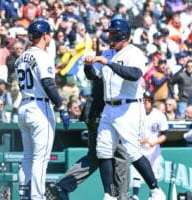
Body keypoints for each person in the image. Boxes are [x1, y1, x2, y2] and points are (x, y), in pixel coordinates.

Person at [83, 18, 166, 200]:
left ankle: (155, 189)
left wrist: (107, 62)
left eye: (113, 32)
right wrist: (87, 65)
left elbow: (135, 74)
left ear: (123, 34)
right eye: (110, 32)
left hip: (129, 107)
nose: (110, 35)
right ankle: (110, 194)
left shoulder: (134, 52)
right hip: (109, 107)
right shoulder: (108, 53)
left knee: (133, 151)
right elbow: (94, 77)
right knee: (103, 150)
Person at [48, 38, 130, 200]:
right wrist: (89, 64)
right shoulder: (109, 60)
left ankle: (61, 186)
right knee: (121, 155)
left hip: (95, 112)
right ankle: (122, 196)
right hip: (103, 114)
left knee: (94, 156)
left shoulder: (110, 59)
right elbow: (92, 74)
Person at [14, 20, 70, 200]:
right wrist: (61, 106)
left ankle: (24, 195)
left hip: (24, 106)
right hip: (39, 107)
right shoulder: (42, 55)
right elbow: (48, 83)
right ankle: (37, 197)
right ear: (45, 35)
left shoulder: (20, 58)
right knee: (40, 159)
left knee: (28, 157)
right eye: (49, 34)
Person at [131, 91, 168, 200]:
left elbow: (164, 134)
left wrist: (155, 142)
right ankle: (135, 195)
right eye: (144, 100)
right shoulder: (135, 114)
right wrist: (139, 140)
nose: (146, 102)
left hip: (153, 148)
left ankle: (153, 195)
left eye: (148, 100)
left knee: (153, 172)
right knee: (137, 171)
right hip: (139, 147)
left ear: (152, 102)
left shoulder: (159, 115)